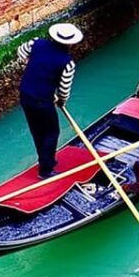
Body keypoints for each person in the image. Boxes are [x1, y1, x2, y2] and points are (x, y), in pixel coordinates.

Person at [17, 23, 83, 179]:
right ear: (70, 43)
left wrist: (26, 62)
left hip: (25, 95)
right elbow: (64, 89)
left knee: (37, 132)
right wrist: (61, 101)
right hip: (42, 101)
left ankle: (45, 162)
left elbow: (21, 51)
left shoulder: (36, 43)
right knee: (51, 133)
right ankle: (46, 170)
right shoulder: (67, 63)